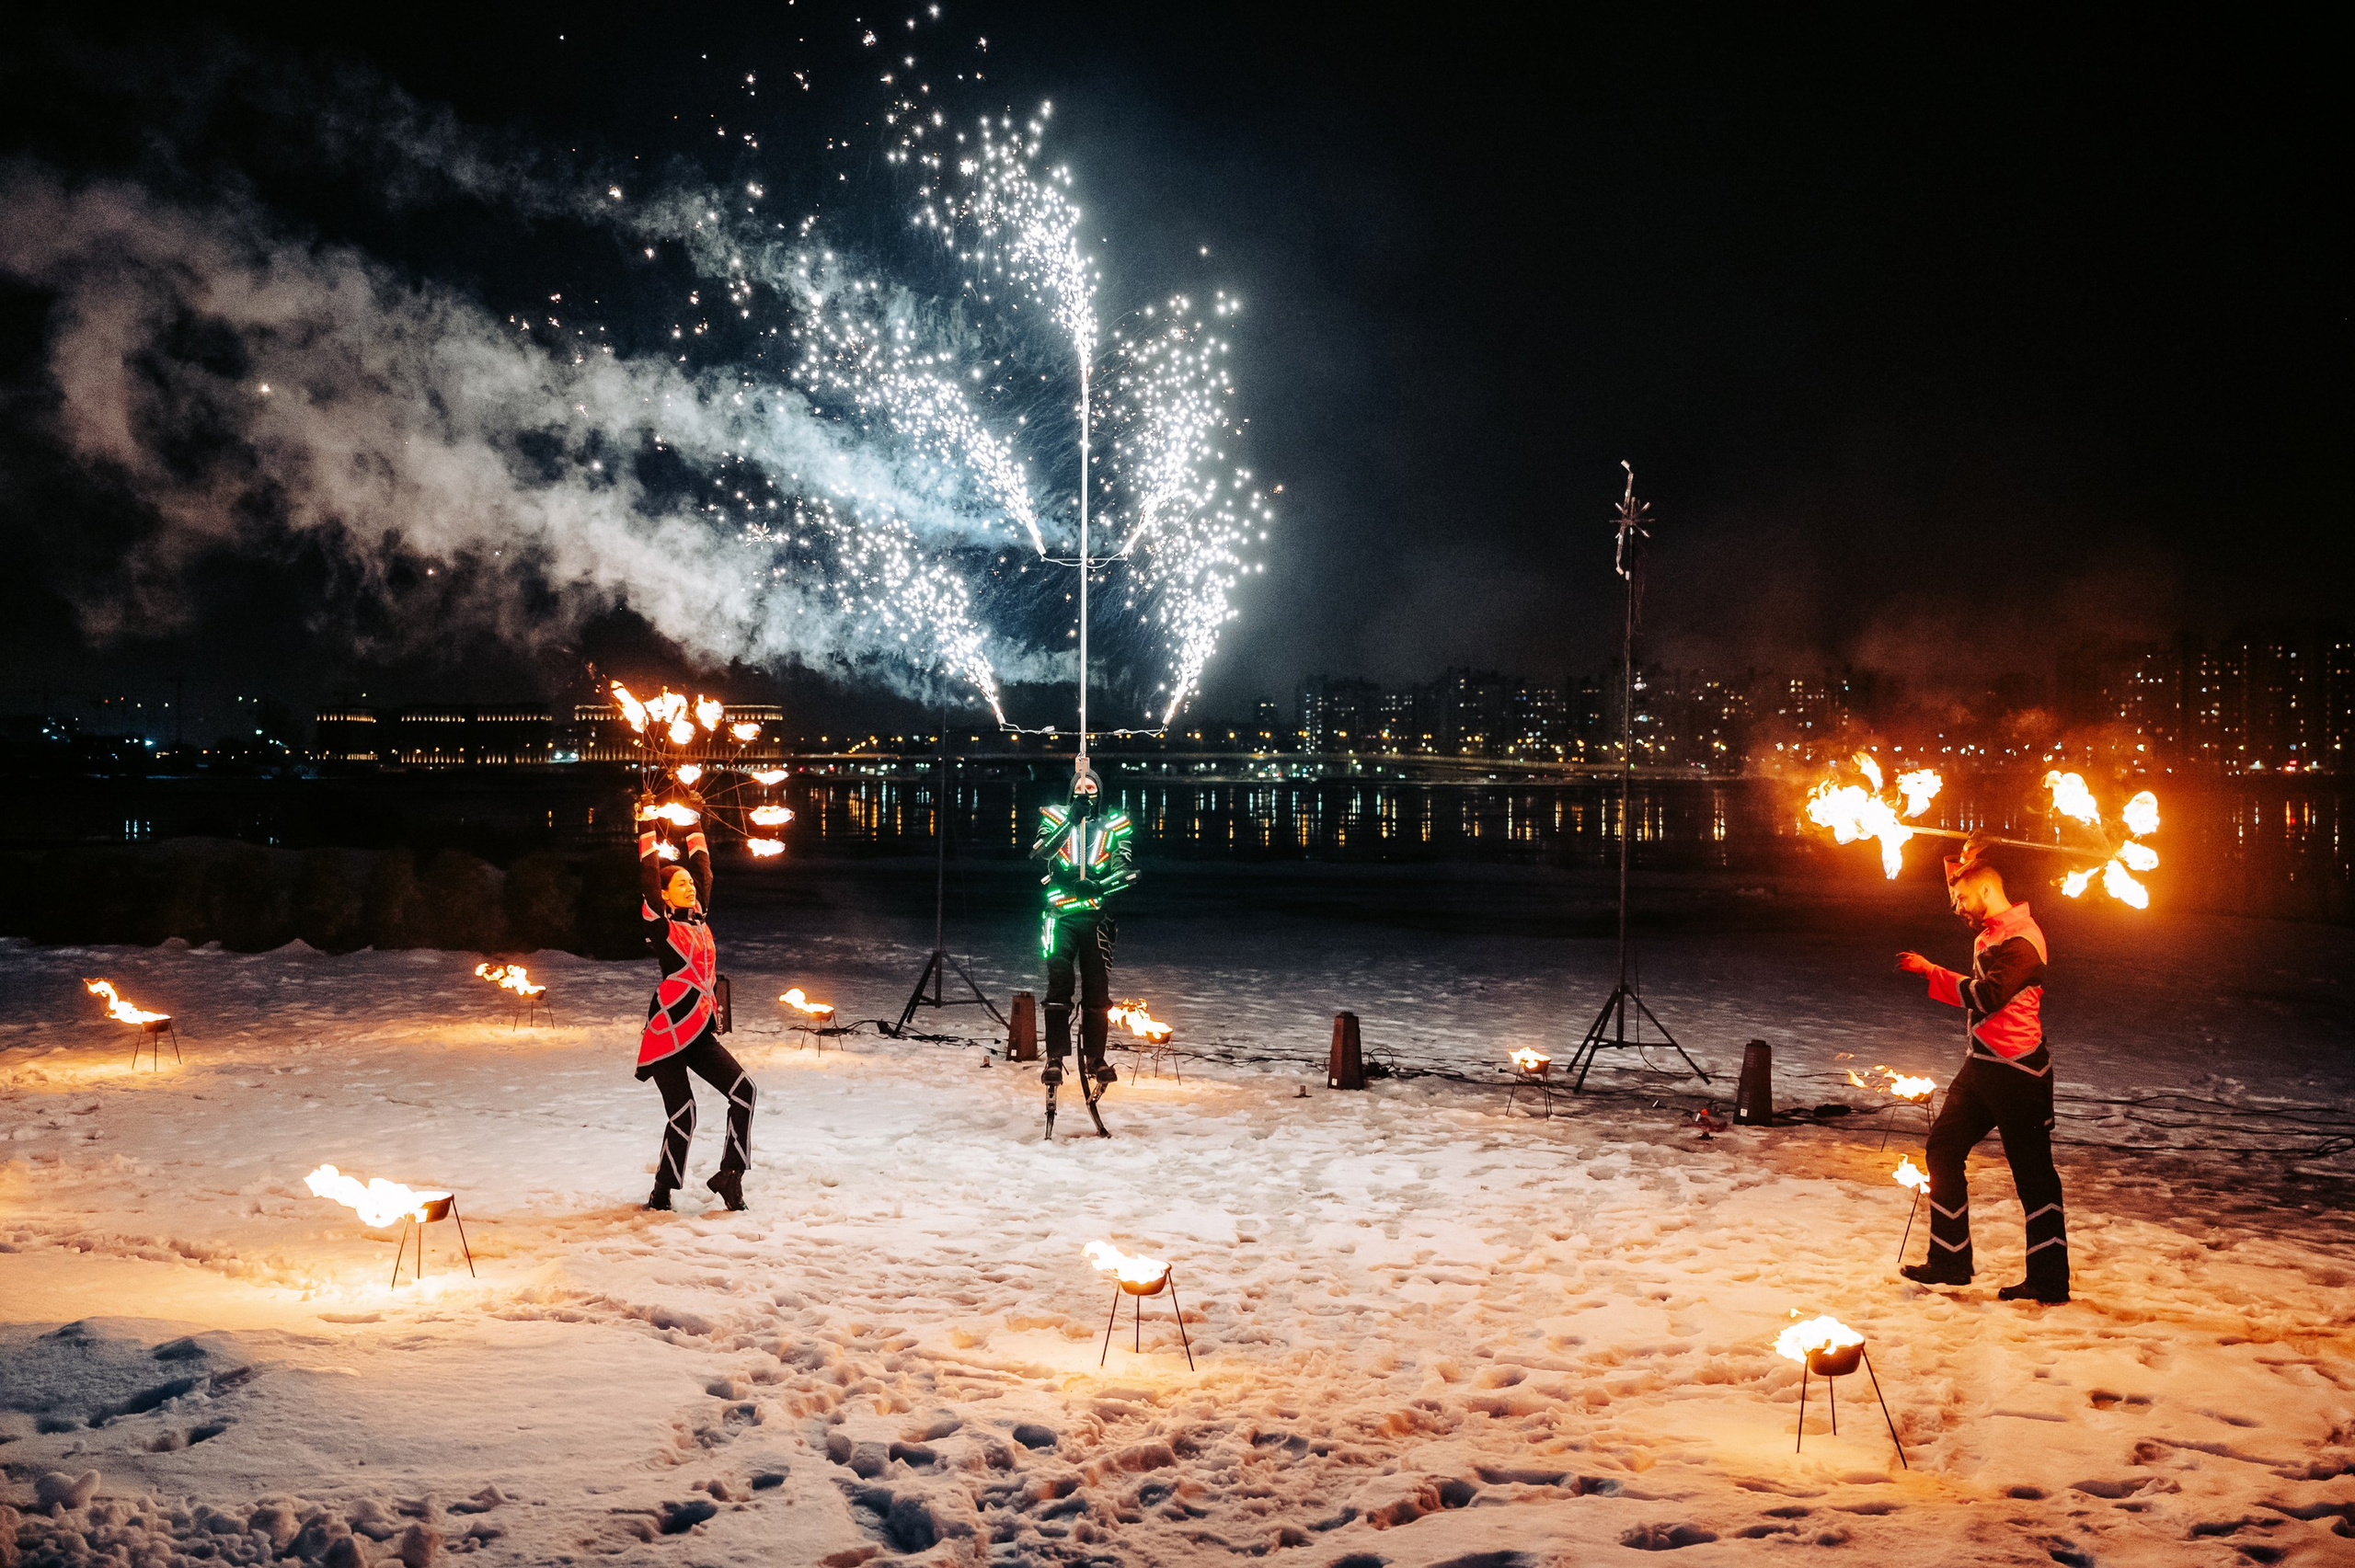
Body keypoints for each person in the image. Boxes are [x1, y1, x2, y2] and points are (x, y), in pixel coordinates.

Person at [1894, 840, 2068, 1303]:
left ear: (1988, 889)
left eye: (1963, 898)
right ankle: (1950, 1261)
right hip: (1981, 1068)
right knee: (1942, 1151)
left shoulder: (2023, 940)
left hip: (2019, 1076)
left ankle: (2049, 1281)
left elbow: (1988, 997)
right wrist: (1971, 848)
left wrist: (1933, 972)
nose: (1958, 907)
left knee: (2034, 1177)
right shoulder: (1988, 933)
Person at [636, 798, 755, 1211]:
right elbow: (649, 875)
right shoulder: (661, 925)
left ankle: (731, 1176)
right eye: (680, 883)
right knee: (683, 1113)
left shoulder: (699, 920)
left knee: (744, 1091)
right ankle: (661, 1192)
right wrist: (646, 823)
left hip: (699, 1031)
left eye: (690, 883)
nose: (689, 886)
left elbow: (704, 871)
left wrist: (694, 819)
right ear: (664, 897)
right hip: (667, 1035)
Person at [1031, 759, 1139, 1114]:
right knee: (1058, 985)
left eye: (1090, 788)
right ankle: (1055, 1059)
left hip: (1095, 916)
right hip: (1060, 914)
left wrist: (1099, 883)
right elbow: (1041, 854)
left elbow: (1124, 871)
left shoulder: (1114, 826)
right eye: (1079, 788)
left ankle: (1096, 1058)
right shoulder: (1052, 816)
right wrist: (1069, 821)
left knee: (1098, 993)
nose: (1085, 793)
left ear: (1100, 792)